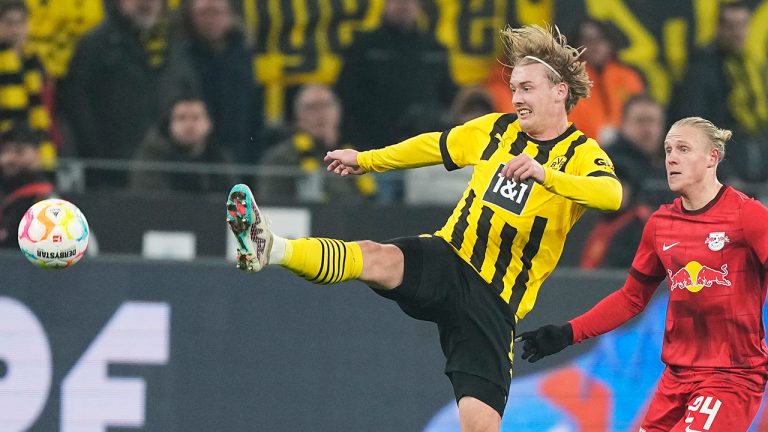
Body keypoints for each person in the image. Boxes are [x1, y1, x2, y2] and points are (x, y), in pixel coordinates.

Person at [227, 24, 621, 431]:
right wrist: (367, 160)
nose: (517, 97)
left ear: (559, 91)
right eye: (515, 88)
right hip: (450, 256)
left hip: (494, 302)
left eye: (527, 88)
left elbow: (612, 196)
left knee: (480, 426)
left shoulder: (581, 154)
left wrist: (544, 175)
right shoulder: (496, 129)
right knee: (377, 258)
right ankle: (271, 248)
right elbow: (434, 145)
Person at [517, 117, 768, 431]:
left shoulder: (749, 216)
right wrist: (568, 333)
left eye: (683, 149)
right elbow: (631, 299)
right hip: (676, 379)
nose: (671, 158)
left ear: (712, 157)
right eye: (667, 150)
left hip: (730, 377)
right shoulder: (661, 224)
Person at [58, 0, 197, 188]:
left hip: (170, 170)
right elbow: (76, 106)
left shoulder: (177, 44)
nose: (145, 3)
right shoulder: (94, 45)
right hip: (110, 172)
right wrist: (97, 155)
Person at [669, 2, 768, 183]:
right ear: (719, 28)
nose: (737, 33)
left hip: (755, 161)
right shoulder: (701, 69)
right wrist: (722, 171)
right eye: (731, 27)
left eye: (742, 26)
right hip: (725, 166)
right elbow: (695, 124)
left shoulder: (751, 66)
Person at [257, 84, 376, 204]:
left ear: (338, 112)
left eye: (326, 105)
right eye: (311, 108)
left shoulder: (355, 155)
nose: (320, 114)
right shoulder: (281, 158)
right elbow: (273, 207)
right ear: (298, 117)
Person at [177, 0, 263, 162]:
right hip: (194, 152)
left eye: (216, 12)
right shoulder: (180, 56)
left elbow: (254, 107)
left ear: (229, 15)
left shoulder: (244, 54)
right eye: (204, 13)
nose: (211, 19)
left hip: (240, 149)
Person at [128, 94, 236, 194]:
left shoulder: (220, 158)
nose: (189, 125)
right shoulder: (151, 158)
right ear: (169, 124)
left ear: (209, 123)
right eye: (181, 118)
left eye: (195, 118)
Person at [566, 18, 646, 145]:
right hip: (585, 152)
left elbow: (642, 116)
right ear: (577, 45)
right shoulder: (570, 81)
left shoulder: (629, 77)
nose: (594, 45)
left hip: (629, 152)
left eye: (600, 39)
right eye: (587, 40)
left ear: (610, 42)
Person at [0, 0, 55, 171]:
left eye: (21, 22)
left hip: (31, 145)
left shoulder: (33, 62)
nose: (16, 29)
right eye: (9, 23)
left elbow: (41, 109)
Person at [607, 93, 671, 207]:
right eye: (640, 121)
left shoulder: (672, 163)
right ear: (623, 124)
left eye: (653, 121)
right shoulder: (608, 164)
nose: (648, 129)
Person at [0, 122, 54, 248]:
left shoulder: (45, 201)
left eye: (19, 151)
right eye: (4, 151)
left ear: (37, 154)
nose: (7, 159)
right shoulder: (7, 195)